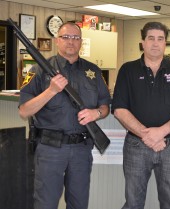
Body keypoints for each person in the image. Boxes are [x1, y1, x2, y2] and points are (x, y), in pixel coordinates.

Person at [19, 22, 111, 209]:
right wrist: (51, 91)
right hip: (50, 149)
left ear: (81, 42)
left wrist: (97, 113)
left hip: (81, 150)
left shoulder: (93, 71)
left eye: (76, 38)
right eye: (66, 37)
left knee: (79, 204)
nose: (71, 42)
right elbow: (24, 111)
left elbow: (105, 105)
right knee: (46, 203)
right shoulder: (38, 71)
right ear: (56, 41)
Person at [112, 22, 170, 209]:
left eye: (160, 39)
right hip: (136, 146)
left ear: (165, 43)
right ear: (142, 42)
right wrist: (147, 135)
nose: (155, 43)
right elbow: (119, 110)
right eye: (151, 38)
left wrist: (161, 133)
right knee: (133, 202)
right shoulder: (128, 70)